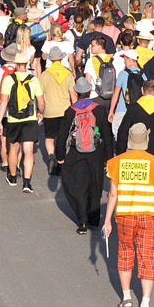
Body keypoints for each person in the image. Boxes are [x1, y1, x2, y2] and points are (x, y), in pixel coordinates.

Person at [101, 123, 154, 307]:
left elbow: (112, 194)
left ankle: (126, 298)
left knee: (125, 253)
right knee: (148, 257)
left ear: (129, 140)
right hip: (149, 215)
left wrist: (107, 220)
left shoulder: (117, 162)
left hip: (125, 214)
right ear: (146, 139)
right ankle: (145, 303)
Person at [55, 76, 113, 234]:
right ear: (89, 91)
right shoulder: (99, 109)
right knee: (95, 184)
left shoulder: (70, 111)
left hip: (76, 151)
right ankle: (94, 218)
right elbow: (107, 135)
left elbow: (62, 136)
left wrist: (60, 156)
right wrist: (109, 159)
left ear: (76, 92)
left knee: (77, 185)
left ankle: (82, 220)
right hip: (96, 152)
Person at [116, 79, 154, 225]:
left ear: (143, 91)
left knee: (141, 181)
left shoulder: (134, 109)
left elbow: (122, 132)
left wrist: (119, 153)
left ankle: (143, 210)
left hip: (139, 149)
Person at [0, 48, 45, 193]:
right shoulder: (34, 79)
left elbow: (4, 101)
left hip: (13, 118)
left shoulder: (8, 79)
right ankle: (27, 182)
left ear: (15, 63)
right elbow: (41, 101)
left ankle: (12, 177)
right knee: (28, 150)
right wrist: (40, 112)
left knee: (14, 148)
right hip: (30, 118)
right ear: (26, 63)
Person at [39, 45, 76, 173]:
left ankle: (50, 156)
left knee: (49, 137)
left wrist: (40, 111)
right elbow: (73, 95)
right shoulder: (68, 74)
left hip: (49, 111)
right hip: (65, 111)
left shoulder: (44, 75)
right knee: (63, 138)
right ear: (61, 59)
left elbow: (40, 95)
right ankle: (61, 161)